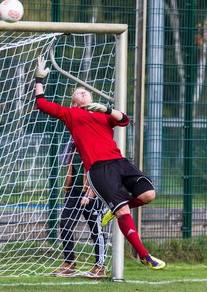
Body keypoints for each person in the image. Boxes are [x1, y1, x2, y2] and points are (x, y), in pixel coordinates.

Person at [35, 56, 166, 270]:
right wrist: (38, 79)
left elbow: (124, 120)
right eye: (78, 92)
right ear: (74, 101)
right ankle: (144, 255)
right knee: (122, 212)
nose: (82, 91)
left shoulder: (103, 114)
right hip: (98, 170)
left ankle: (114, 210)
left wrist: (105, 109)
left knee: (148, 194)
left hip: (120, 162)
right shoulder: (71, 114)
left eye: (85, 90)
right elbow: (41, 103)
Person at [54, 139, 106, 277]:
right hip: (74, 192)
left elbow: (99, 174)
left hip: (92, 193)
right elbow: (68, 165)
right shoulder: (72, 146)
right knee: (65, 222)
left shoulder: (95, 146)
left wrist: (89, 195)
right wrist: (67, 187)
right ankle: (69, 263)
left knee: (96, 229)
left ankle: (100, 266)